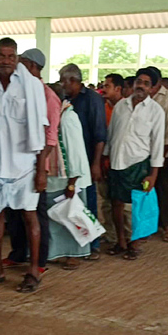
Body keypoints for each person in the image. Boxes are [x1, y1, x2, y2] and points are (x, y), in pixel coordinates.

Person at [0, 38, 48, 292]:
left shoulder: (31, 86)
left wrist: (41, 170)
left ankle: (33, 271)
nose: (6, 61)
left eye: (11, 56)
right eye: (2, 56)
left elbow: (42, 129)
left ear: (17, 57)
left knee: (30, 216)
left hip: (24, 165)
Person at [1, 48, 60, 274]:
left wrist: (40, 169)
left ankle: (40, 262)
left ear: (33, 67)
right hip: (13, 164)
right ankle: (18, 254)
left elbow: (50, 138)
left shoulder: (48, 97)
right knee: (14, 212)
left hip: (35, 166)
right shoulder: (17, 91)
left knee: (35, 214)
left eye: (21, 63)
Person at [104, 67, 165, 260]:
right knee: (116, 203)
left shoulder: (156, 111)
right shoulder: (121, 105)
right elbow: (111, 134)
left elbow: (157, 144)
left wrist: (153, 174)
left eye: (147, 83)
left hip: (138, 164)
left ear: (152, 88)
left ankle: (134, 243)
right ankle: (121, 242)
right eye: (139, 81)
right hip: (116, 162)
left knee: (137, 207)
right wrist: (105, 157)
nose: (141, 86)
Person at [59, 63, 107, 260]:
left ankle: (93, 244)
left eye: (64, 80)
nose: (62, 84)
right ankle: (76, 244)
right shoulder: (67, 100)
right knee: (73, 204)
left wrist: (95, 163)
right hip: (70, 163)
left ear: (73, 81)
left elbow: (100, 134)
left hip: (87, 160)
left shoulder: (92, 99)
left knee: (88, 204)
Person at [46, 99, 93, 268]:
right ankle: (56, 252)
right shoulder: (52, 117)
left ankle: (75, 254)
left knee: (73, 216)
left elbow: (76, 152)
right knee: (56, 217)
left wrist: (72, 183)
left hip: (70, 177)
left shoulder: (68, 117)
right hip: (54, 175)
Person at [148, 67, 168, 242]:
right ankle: (149, 224)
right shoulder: (140, 97)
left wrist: (159, 157)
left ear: (157, 83)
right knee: (145, 188)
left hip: (163, 151)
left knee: (163, 187)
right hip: (142, 151)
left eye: (149, 84)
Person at [99, 73, 130, 247]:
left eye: (107, 86)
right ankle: (111, 234)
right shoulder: (102, 108)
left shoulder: (127, 109)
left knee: (124, 203)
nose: (103, 89)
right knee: (106, 200)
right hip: (105, 160)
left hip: (124, 163)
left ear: (118, 89)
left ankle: (127, 235)